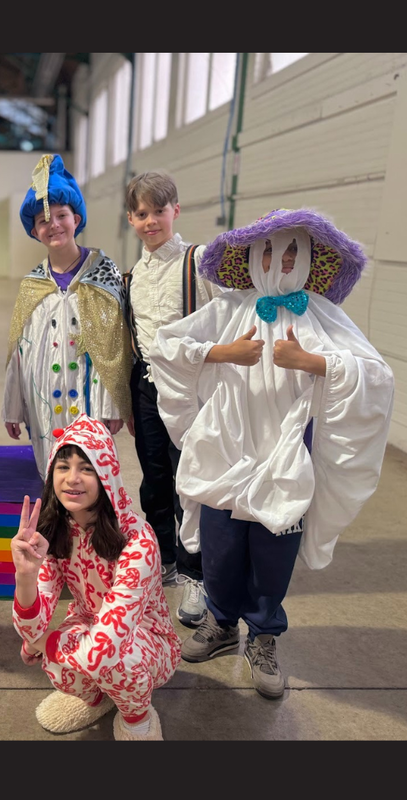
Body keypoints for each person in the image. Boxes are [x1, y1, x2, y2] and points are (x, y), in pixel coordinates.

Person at [148, 208, 395, 699]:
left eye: (291, 253)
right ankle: (221, 624)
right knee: (219, 547)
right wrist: (220, 354)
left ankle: (264, 635)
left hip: (284, 453)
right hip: (225, 450)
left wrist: (315, 362)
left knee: (272, 551)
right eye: (269, 252)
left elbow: (376, 374)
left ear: (306, 259)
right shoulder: (230, 309)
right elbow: (166, 347)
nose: (279, 263)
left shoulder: (323, 315)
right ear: (253, 256)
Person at [11, 415, 181, 740]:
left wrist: (45, 643)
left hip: (145, 640)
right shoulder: (54, 531)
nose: (72, 479)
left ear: (106, 475)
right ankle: (98, 699)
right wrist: (26, 577)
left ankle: (137, 717)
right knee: (56, 663)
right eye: (63, 467)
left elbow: (101, 648)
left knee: (115, 659)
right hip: (89, 626)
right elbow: (30, 629)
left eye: (86, 468)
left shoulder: (137, 539)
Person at [122, 170, 225, 629]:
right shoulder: (133, 276)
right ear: (131, 219)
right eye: (141, 214)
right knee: (155, 478)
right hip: (147, 385)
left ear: (175, 211)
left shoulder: (199, 262)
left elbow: (228, 316)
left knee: (192, 482)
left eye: (158, 211)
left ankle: (194, 574)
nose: (150, 221)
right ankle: (162, 559)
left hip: (192, 388)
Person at [3, 153, 132, 478]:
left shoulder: (104, 274)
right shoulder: (32, 284)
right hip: (43, 398)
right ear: (34, 230)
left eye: (61, 215)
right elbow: (20, 351)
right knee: (51, 475)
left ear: (77, 219)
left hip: (89, 399)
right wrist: (13, 407)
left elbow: (114, 346)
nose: (54, 225)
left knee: (92, 478)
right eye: (44, 221)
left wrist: (113, 404)